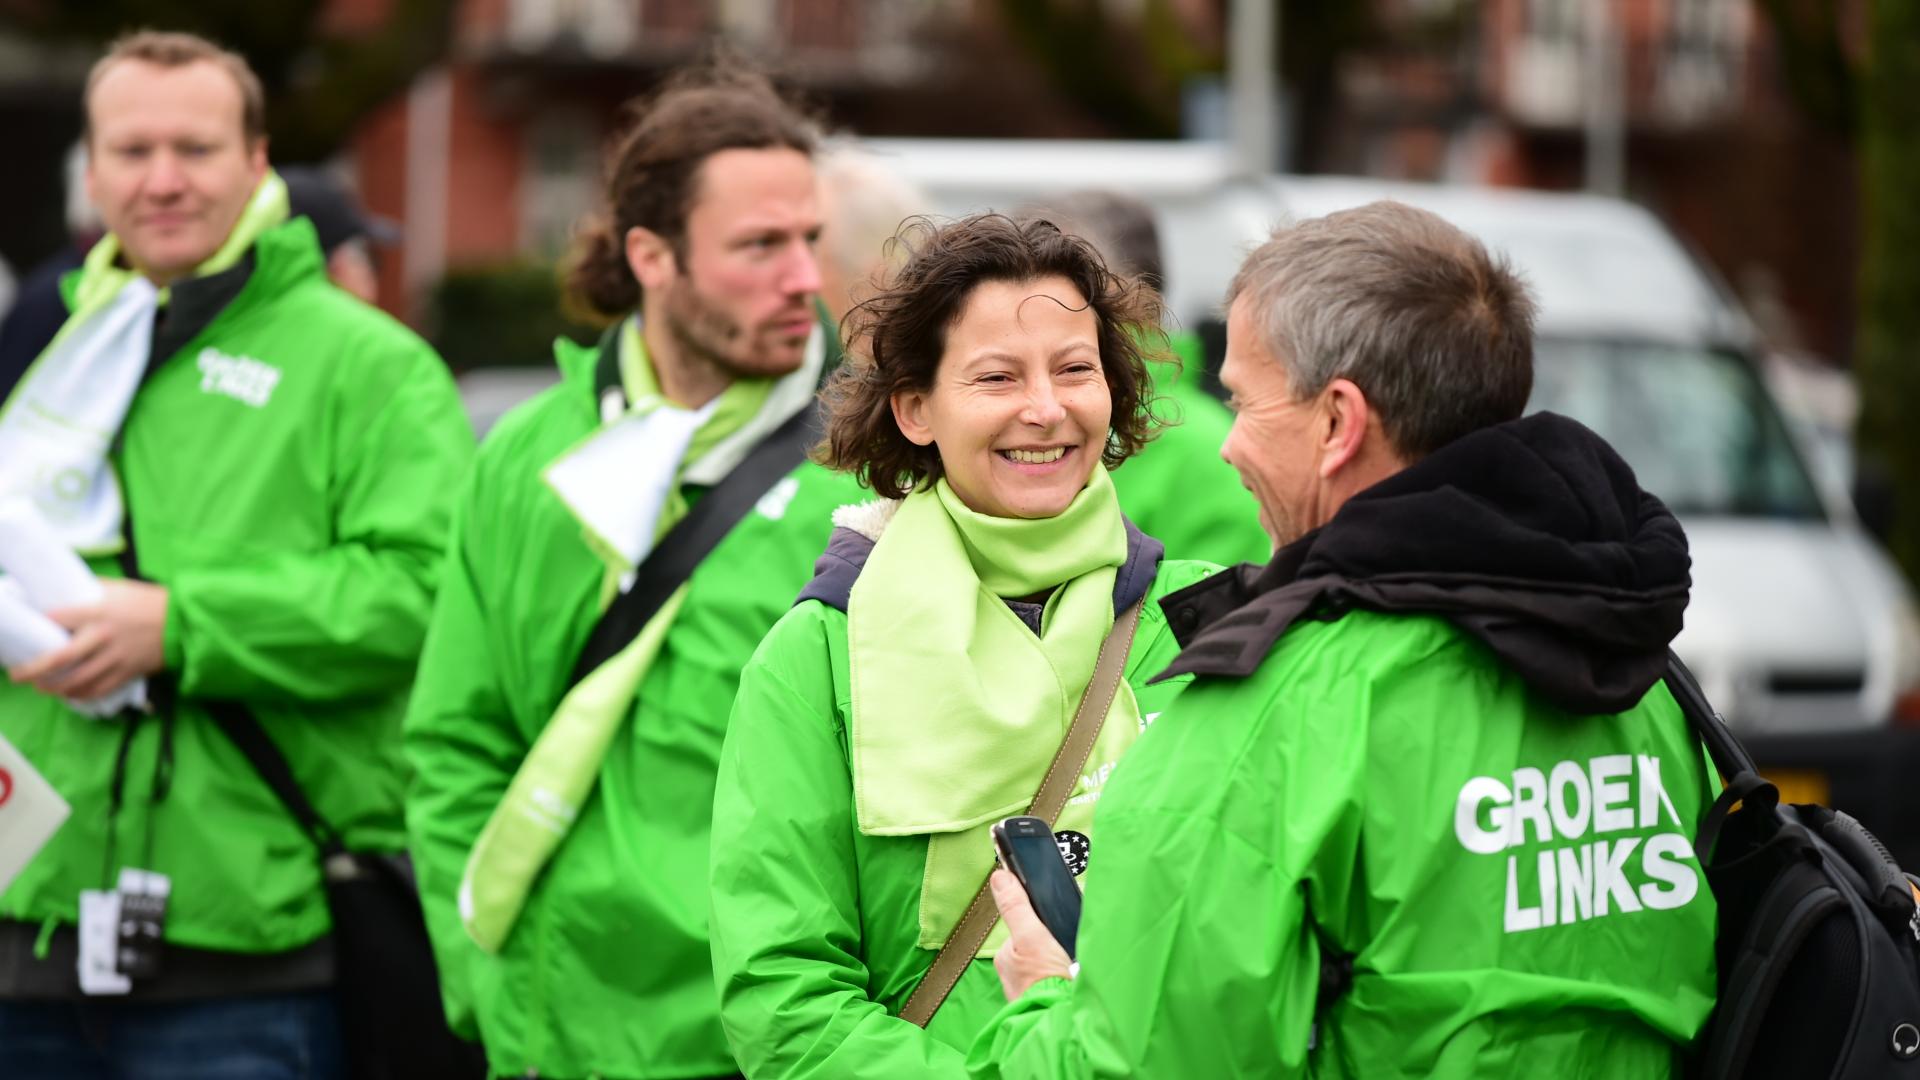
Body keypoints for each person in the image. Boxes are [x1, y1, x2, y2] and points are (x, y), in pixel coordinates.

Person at [973, 201, 1719, 1077]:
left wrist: (1044, 999)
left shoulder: (1269, 720)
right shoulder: (1641, 671)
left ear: (1338, 423)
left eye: (1244, 400)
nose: (1228, 447)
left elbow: (1143, 1062)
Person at [0, 30, 472, 1077]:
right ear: (91, 163)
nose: (161, 180)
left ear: (258, 160)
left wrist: (182, 625)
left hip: (248, 953)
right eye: (131, 151)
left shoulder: (371, 364)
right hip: (21, 924)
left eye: (195, 149)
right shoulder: (44, 340)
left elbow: (424, 591)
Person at [403, 67, 868, 1079]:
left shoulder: (882, 464)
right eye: (760, 246)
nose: (803, 277)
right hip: (547, 1027)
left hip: (762, 1040)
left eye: (809, 239)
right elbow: (454, 741)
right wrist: (483, 980)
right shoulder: (527, 453)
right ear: (652, 257)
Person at [707, 213, 1220, 1079]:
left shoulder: (1208, 619)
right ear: (915, 409)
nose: (1046, 409)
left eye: (1074, 369)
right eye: (996, 377)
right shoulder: (821, 653)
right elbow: (782, 994)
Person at [1019, 189, 1269, 566]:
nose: (1020, 296)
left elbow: (1221, 613)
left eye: (1060, 274)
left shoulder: (1205, 449)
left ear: (1127, 293)